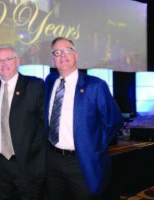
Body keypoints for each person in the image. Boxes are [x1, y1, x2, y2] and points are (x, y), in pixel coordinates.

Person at [45, 37, 123, 200]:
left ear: (76, 55)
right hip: (52, 160)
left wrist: (95, 144)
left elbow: (114, 121)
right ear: (53, 59)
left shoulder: (95, 86)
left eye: (67, 50)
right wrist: (0, 84)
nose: (62, 55)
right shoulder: (50, 81)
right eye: (57, 52)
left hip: (82, 162)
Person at [0, 46, 46, 200]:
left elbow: (47, 124)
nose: (3, 63)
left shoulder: (35, 86)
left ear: (17, 61)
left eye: (8, 59)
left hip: (28, 165)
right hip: (1, 166)